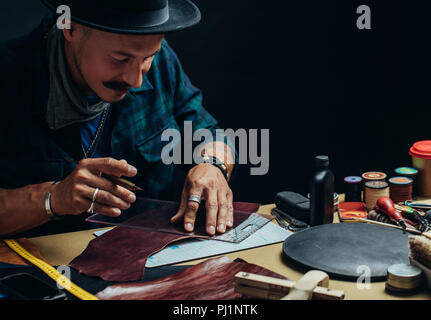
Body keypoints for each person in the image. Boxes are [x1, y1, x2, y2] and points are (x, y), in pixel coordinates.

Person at [0, 0, 236, 237]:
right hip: (41, 267)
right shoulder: (9, 79)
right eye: (120, 59)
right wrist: (53, 198)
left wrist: (213, 166)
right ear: (70, 28)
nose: (136, 81)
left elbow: (208, 132)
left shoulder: (160, 59)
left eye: (146, 58)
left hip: (149, 255)